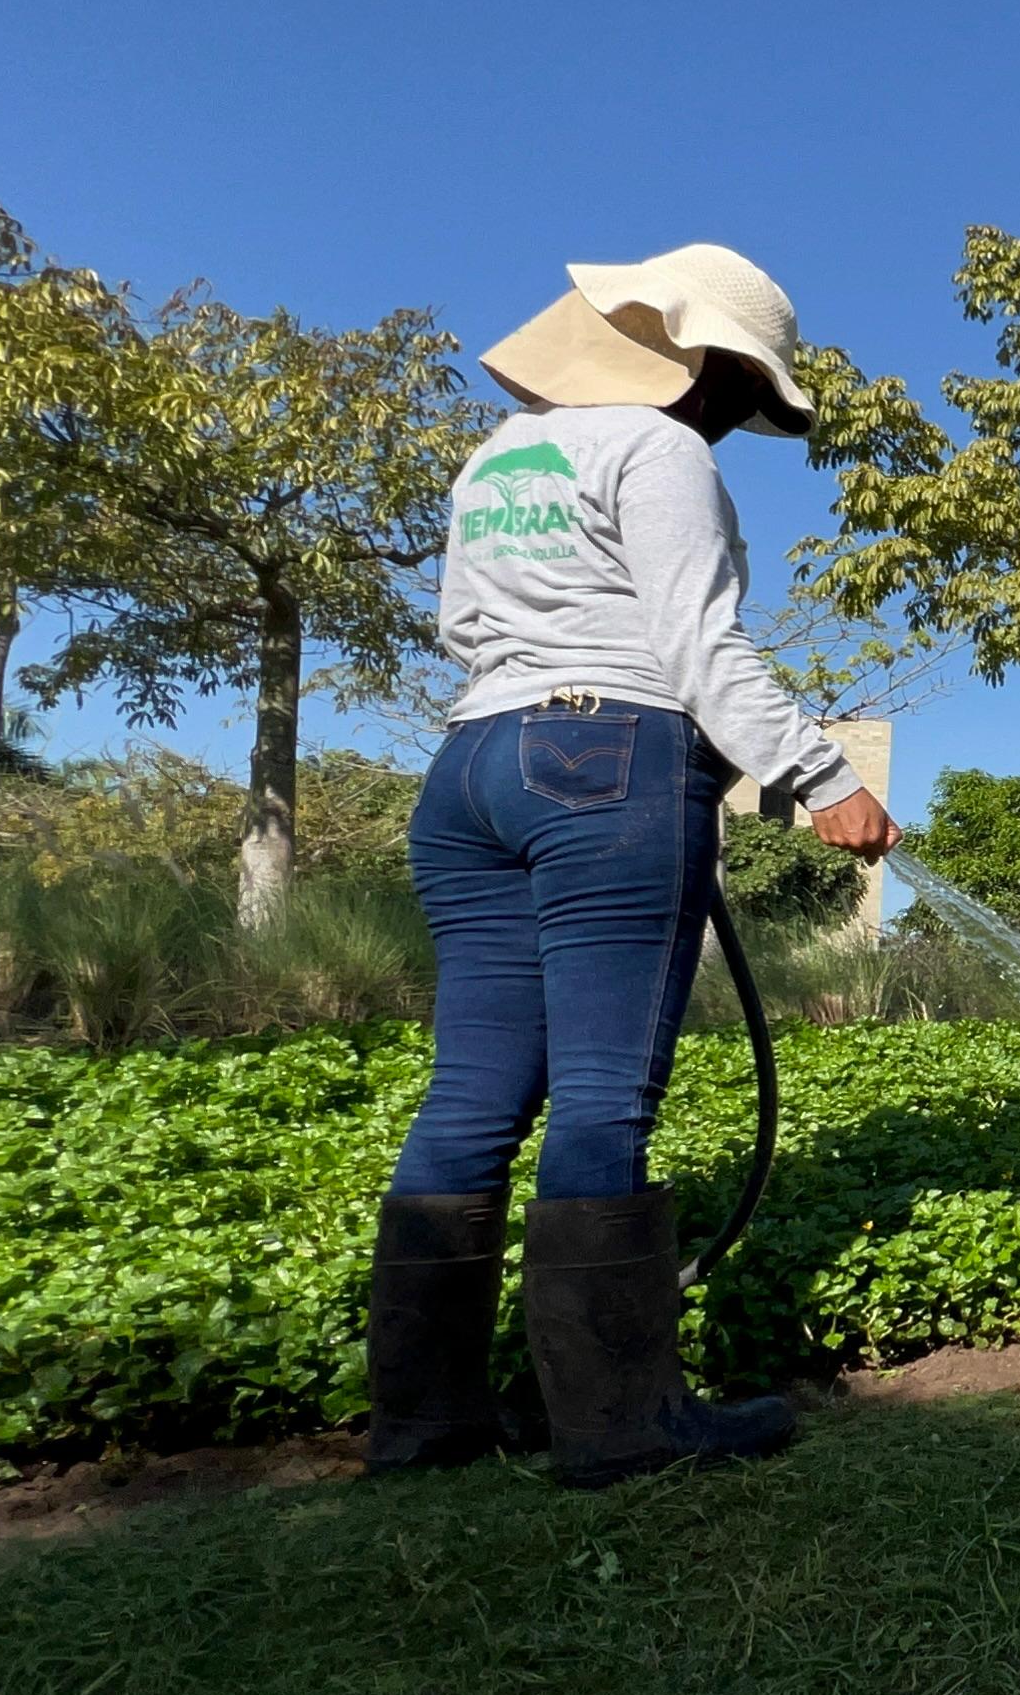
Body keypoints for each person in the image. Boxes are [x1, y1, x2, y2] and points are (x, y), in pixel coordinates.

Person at [363, 245, 897, 1489]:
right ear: (698, 359)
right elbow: (698, 644)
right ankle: (620, 1424)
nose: (729, 420)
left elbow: (461, 626)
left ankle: (425, 1424)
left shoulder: (500, 457)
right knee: (602, 1094)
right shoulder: (660, 453)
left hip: (467, 770)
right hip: (605, 754)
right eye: (736, 390)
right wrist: (824, 777)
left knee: (470, 1097)